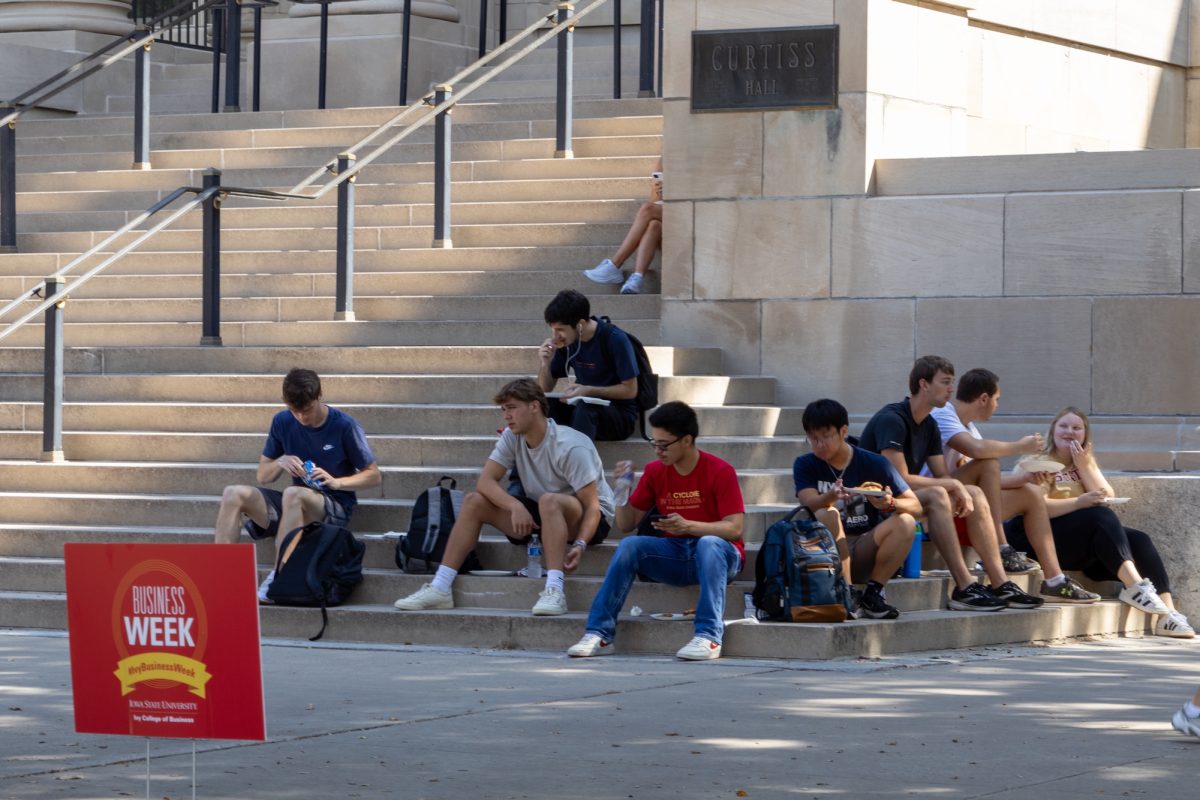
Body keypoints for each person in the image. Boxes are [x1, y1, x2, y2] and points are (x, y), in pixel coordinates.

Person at [393, 379, 614, 617]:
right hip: (542, 511)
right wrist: (514, 505)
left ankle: (554, 590)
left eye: (512, 407)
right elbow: (485, 481)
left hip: (590, 520)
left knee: (550, 500)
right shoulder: (512, 436)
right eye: (504, 409)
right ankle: (440, 587)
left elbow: (592, 507)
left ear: (534, 406)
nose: (507, 416)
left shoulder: (571, 446)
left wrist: (580, 545)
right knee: (473, 501)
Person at [858, 355, 1042, 612]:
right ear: (924, 384)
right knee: (939, 494)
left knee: (976, 487)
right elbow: (899, 479)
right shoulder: (893, 419)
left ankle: (1001, 582)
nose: (951, 389)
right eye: (945, 382)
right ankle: (964, 586)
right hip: (881, 506)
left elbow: (943, 475)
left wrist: (958, 488)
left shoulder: (930, 424)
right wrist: (953, 487)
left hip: (910, 500)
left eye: (952, 382)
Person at [567, 401, 745, 660]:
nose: (657, 451)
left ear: (687, 440)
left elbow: (735, 528)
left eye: (664, 444)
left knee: (709, 543)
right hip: (674, 554)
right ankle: (600, 634)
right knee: (629, 546)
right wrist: (621, 490)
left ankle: (708, 636)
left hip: (718, 555)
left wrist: (689, 526)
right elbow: (626, 525)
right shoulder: (654, 472)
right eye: (654, 442)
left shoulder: (720, 471)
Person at [1004, 406, 1193, 638]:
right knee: (1099, 517)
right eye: (1063, 426)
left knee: (1139, 539)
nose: (1069, 432)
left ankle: (1168, 615)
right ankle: (1134, 587)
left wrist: (1084, 466)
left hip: (1080, 545)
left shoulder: (1083, 463)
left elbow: (1107, 495)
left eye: (1077, 428)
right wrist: (1079, 502)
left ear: (1085, 435)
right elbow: (1032, 507)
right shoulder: (1037, 461)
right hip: (1039, 540)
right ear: (1053, 430)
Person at [930, 368, 1099, 604]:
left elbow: (981, 479)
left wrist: (1023, 480)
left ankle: (1055, 580)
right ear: (984, 399)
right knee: (988, 461)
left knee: (1030, 493)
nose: (997, 406)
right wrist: (1020, 446)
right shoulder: (943, 414)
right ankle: (1002, 547)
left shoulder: (969, 428)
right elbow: (978, 453)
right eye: (997, 399)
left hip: (963, 497)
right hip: (935, 501)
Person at [213, 368, 382, 602]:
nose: (302, 417)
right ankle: (222, 579)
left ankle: (278, 577)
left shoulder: (344, 426)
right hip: (294, 506)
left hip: (332, 507)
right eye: (295, 411)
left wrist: (337, 481)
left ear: (319, 396)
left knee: (293, 493)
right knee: (233, 493)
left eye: (307, 410)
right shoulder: (282, 421)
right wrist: (280, 462)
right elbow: (263, 476)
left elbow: (374, 476)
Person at [793, 399, 920, 620]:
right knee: (827, 512)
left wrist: (890, 503)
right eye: (813, 438)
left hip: (864, 545)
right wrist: (831, 496)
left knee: (906, 521)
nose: (819, 444)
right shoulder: (805, 464)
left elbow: (916, 505)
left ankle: (873, 593)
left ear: (843, 431)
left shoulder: (874, 463)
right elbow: (809, 504)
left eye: (825, 436)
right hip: (825, 553)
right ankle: (847, 592)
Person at [536, 289, 639, 442]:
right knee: (543, 405)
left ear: (580, 325)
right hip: (583, 409)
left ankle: (578, 462)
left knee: (586, 407)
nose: (555, 336)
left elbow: (630, 390)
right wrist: (545, 363)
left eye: (560, 330)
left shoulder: (615, 339)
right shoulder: (568, 342)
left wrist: (588, 390)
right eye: (553, 330)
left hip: (619, 415)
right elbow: (545, 389)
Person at [582, 157, 662, 295]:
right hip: (666, 213)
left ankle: (615, 264)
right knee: (653, 225)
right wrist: (657, 191)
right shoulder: (664, 160)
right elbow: (654, 201)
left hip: (690, 212)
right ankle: (637, 277)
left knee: (646, 209)